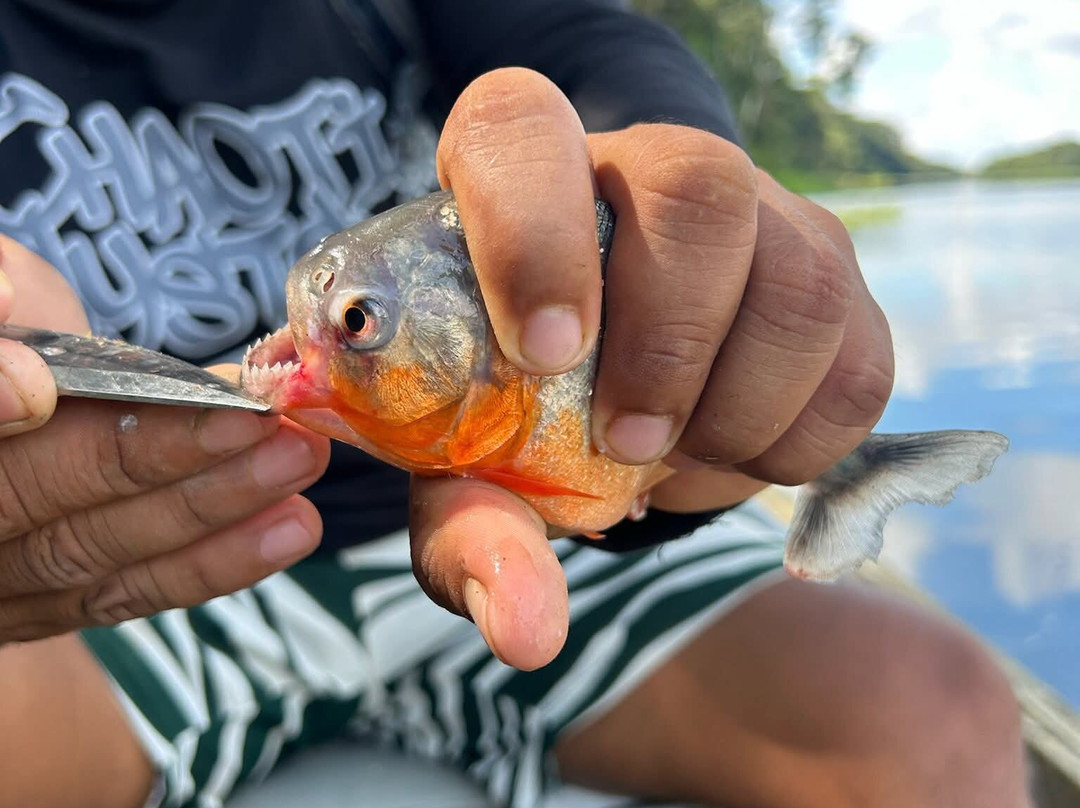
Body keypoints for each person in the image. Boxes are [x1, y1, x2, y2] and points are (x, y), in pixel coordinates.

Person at [0, 1, 1030, 807]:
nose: (327, 329)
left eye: (355, 321)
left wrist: (686, 217)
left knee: (939, 711)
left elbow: (582, 38)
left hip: (517, 533)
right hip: (124, 563)